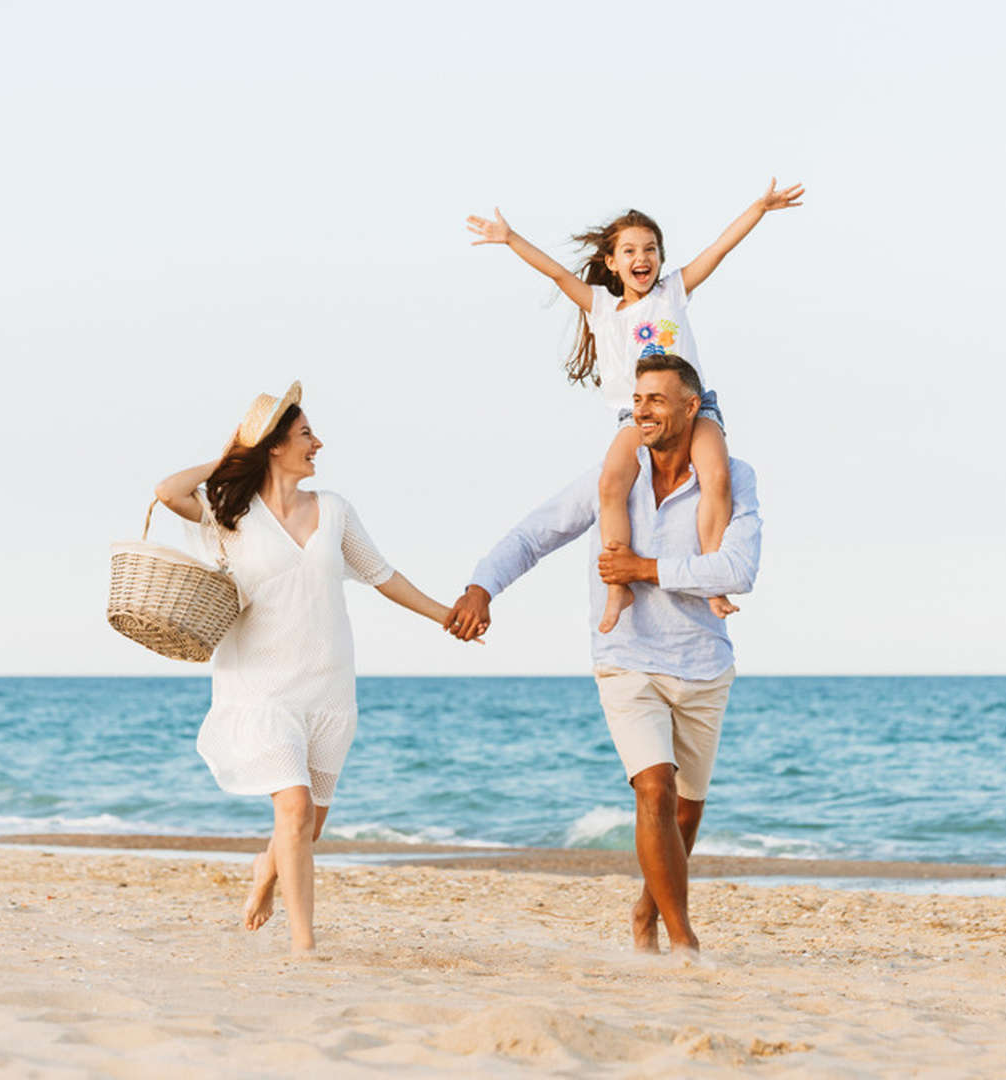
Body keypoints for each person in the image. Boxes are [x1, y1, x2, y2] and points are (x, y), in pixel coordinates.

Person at [445, 356, 762, 956]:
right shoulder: (613, 477)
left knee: (685, 814)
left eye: (657, 400)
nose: (641, 410)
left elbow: (739, 571)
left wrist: (644, 569)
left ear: (692, 408)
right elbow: (535, 533)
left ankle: (646, 910)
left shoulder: (734, 477)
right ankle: (683, 941)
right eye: (637, 399)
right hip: (627, 656)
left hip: (703, 663)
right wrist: (482, 586)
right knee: (653, 790)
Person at [154, 381, 468, 956]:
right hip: (259, 687)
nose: (317, 443)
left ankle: (266, 874)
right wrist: (230, 455)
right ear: (274, 445)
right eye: (304, 434)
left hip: (327, 687)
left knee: (306, 826)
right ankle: (304, 945)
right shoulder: (231, 516)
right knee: (294, 808)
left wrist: (444, 615)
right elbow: (169, 491)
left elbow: (383, 576)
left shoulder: (335, 510)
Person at [466, 179, 798, 633]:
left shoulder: (673, 292)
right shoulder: (602, 307)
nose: (641, 258)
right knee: (610, 485)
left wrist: (758, 208)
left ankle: (712, 578)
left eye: (651, 249)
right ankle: (618, 585)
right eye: (629, 251)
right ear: (611, 262)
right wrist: (510, 239)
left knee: (716, 476)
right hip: (633, 416)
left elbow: (718, 250)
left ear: (660, 258)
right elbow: (557, 274)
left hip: (693, 410)